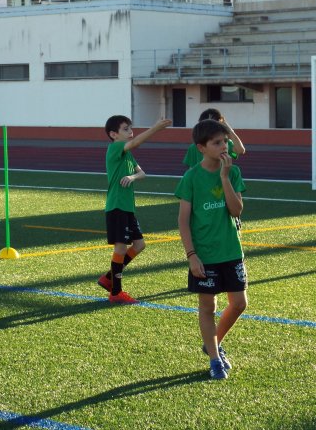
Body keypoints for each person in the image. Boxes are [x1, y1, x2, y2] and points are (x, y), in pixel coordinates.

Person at [175, 118, 248, 380]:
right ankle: (215, 360)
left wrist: (225, 177)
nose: (224, 146)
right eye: (217, 142)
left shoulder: (233, 172)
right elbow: (183, 220)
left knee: (239, 304)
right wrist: (192, 256)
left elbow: (236, 210)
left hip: (230, 250)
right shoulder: (192, 177)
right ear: (201, 147)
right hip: (204, 254)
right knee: (208, 307)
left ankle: (211, 343)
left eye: (225, 141)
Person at [97, 115, 172, 304]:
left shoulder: (127, 154)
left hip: (127, 207)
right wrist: (155, 127)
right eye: (125, 129)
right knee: (121, 247)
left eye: (131, 128)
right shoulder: (115, 148)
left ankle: (108, 277)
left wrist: (132, 177)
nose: (131, 132)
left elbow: (142, 173)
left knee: (139, 245)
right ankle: (115, 292)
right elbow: (136, 142)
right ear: (113, 135)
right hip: (116, 206)